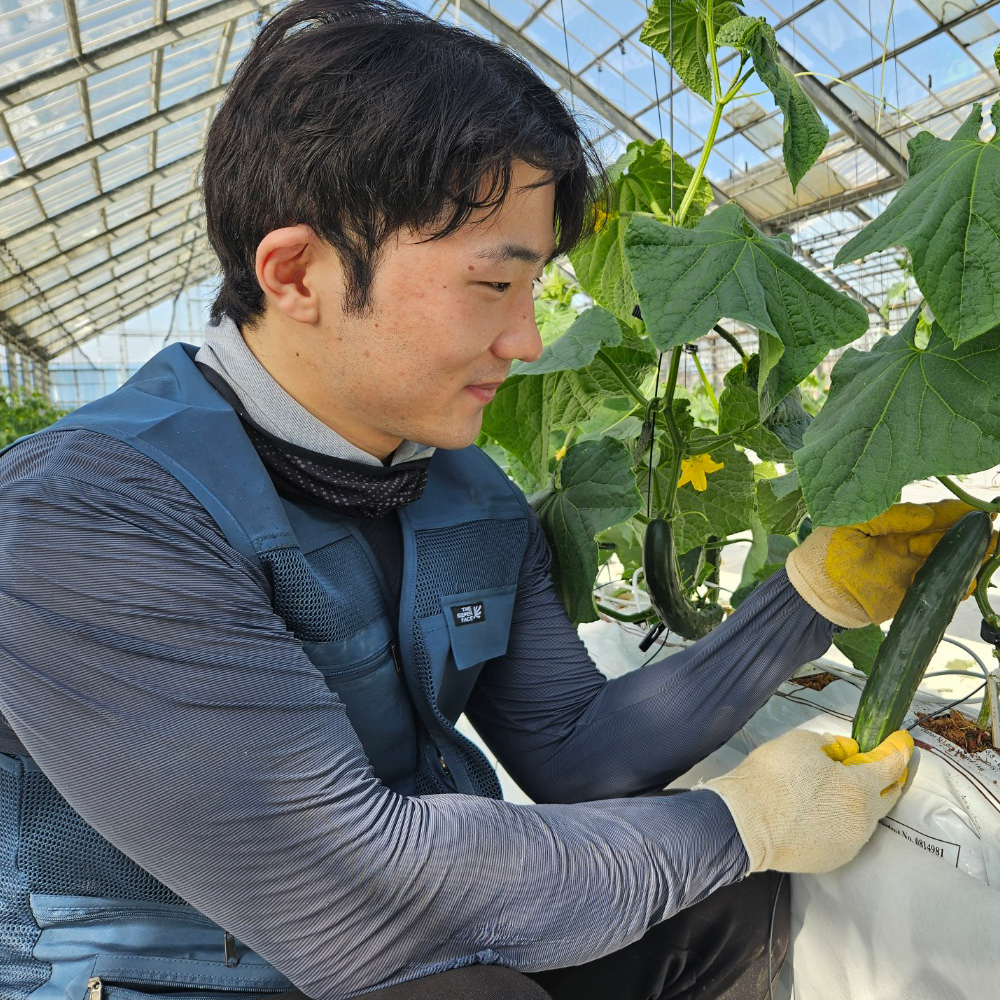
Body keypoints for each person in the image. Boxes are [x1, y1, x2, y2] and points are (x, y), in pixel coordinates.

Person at [0, 2, 961, 998]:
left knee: (722, 902)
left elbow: (571, 752)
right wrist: (740, 823)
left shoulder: (464, 487)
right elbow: (351, 888)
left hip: (430, 920)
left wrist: (805, 603)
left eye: (533, 286)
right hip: (183, 974)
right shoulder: (91, 511)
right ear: (295, 273)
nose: (528, 341)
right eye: (492, 285)